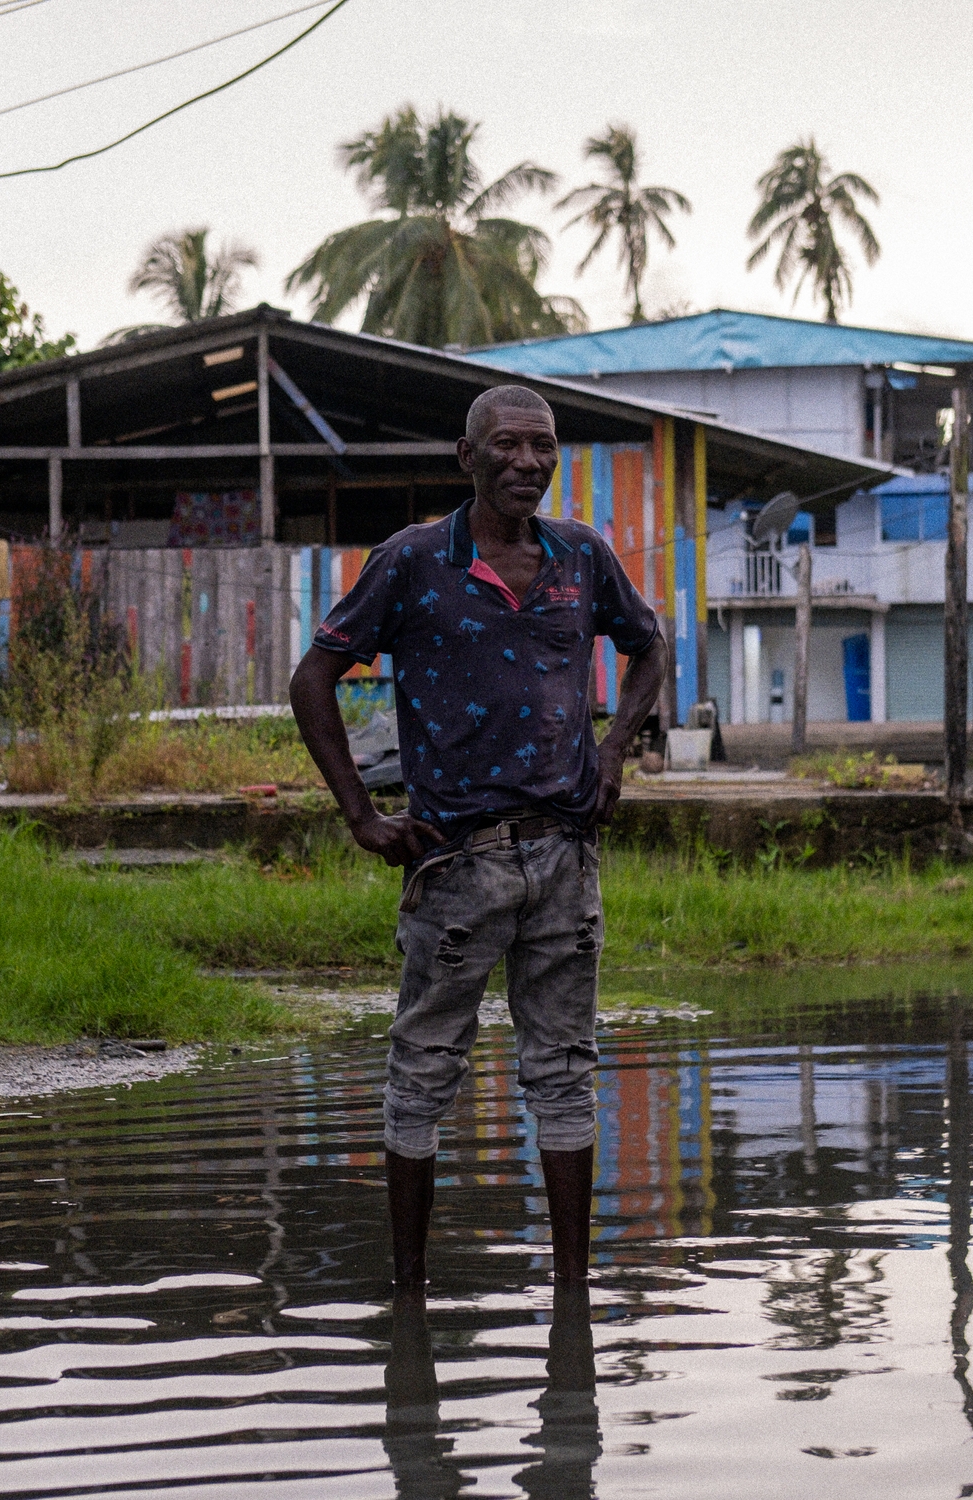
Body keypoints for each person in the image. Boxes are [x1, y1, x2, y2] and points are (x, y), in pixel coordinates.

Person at [289, 385, 670, 1295]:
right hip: (456, 862)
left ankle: (572, 1299)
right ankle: (409, 1296)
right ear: (467, 457)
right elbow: (313, 678)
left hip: (564, 857)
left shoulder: (581, 556)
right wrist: (362, 816)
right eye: (506, 446)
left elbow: (649, 644)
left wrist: (614, 748)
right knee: (422, 1071)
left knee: (564, 1072)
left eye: (542, 447)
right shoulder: (414, 560)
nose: (526, 463)